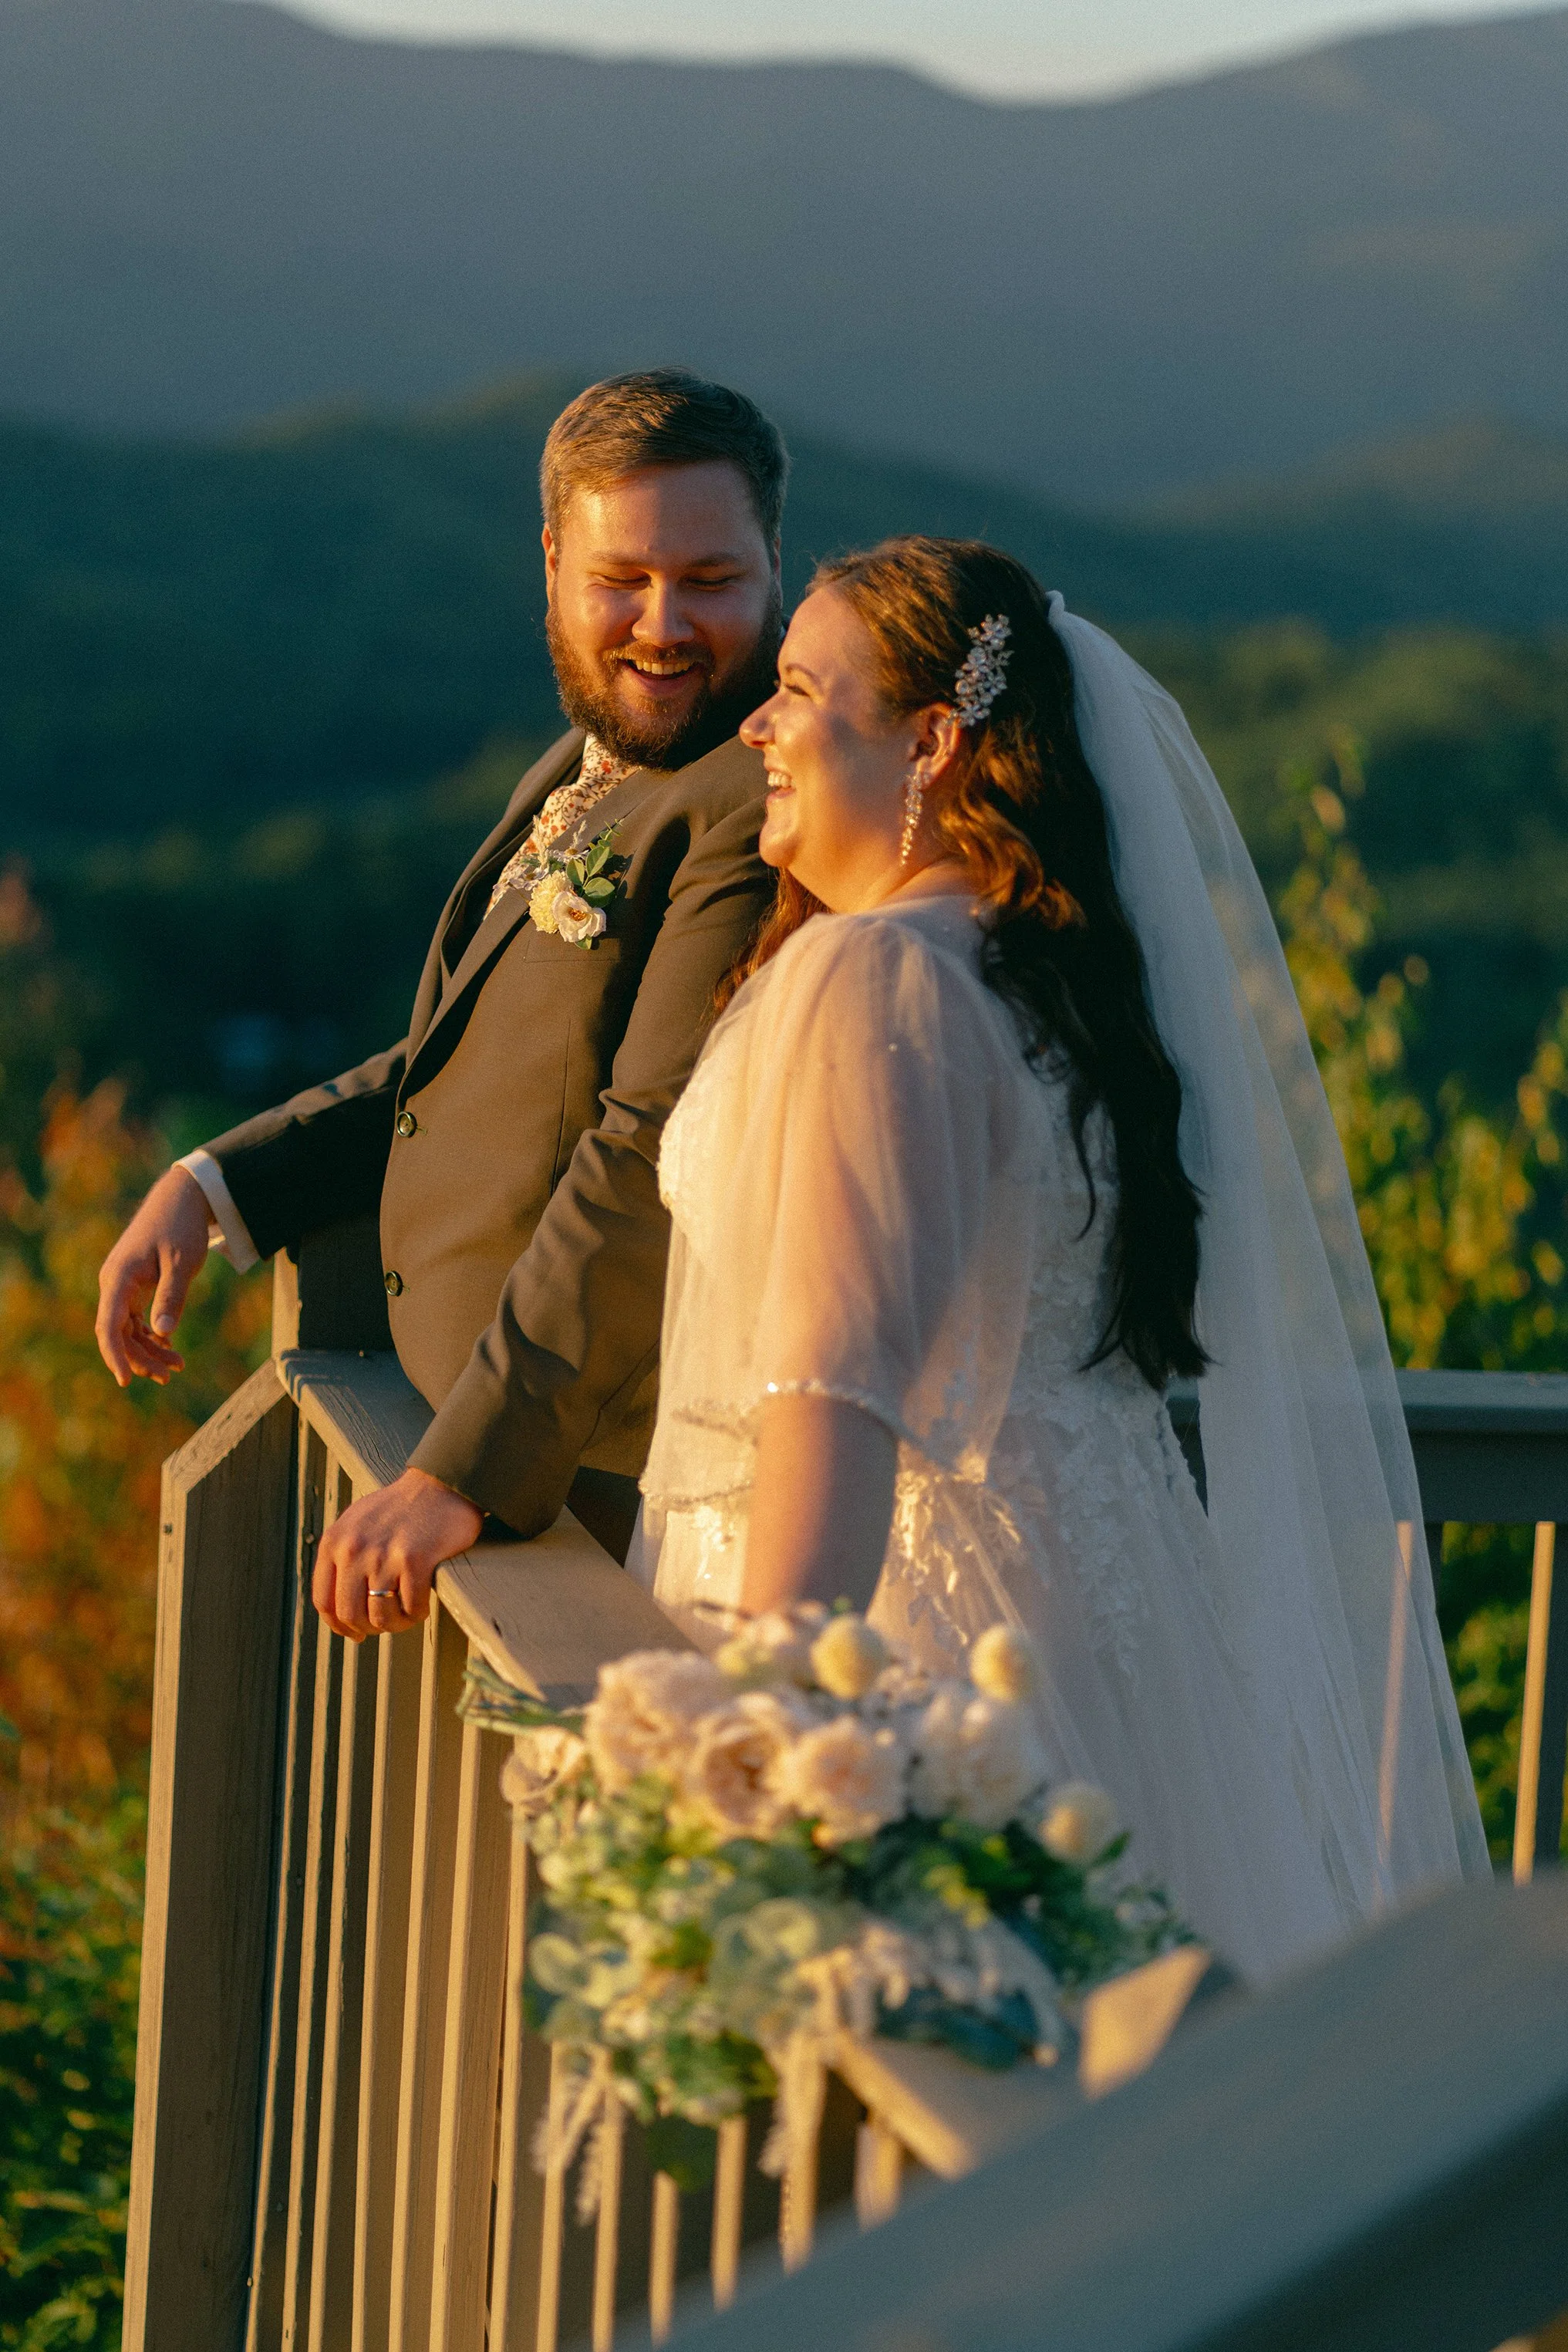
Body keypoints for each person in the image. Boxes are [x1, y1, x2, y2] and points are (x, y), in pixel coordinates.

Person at [628, 535, 1489, 1984]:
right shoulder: (1039, 986)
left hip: (914, 1652)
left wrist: (761, 1755)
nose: (758, 727)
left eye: (795, 691)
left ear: (932, 739)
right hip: (1096, 1633)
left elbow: (831, 1399)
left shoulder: (875, 973)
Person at [96, 370, 784, 1634]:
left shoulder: (752, 808)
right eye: (621, 578)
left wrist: (464, 1472)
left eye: (712, 579)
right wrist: (219, 1184)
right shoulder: (588, 760)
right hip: (486, 1472)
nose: (664, 623)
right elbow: (461, 1062)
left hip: (590, 1495)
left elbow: (647, 1156)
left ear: (774, 564)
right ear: (549, 565)